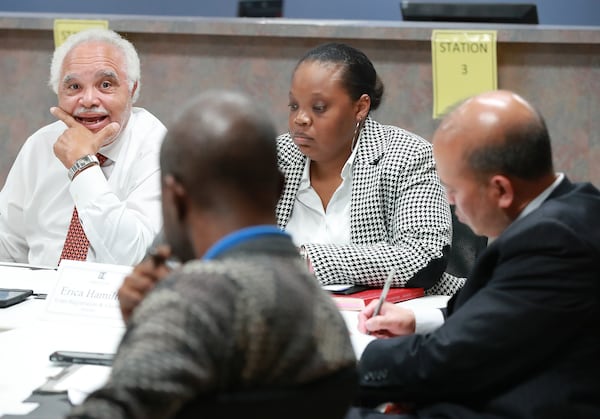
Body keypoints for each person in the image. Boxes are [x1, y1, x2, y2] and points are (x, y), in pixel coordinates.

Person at [68, 90, 358, 419]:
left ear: (176, 198)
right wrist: (148, 328)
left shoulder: (188, 305)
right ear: (278, 188)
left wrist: (162, 320)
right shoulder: (325, 311)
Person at [349, 90, 600, 418]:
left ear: (501, 190)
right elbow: (500, 316)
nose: (451, 203)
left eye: (453, 189)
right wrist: (417, 321)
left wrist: (350, 363)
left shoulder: (555, 239)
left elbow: (453, 360)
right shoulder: (573, 208)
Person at [277, 42, 462, 295]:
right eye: (294, 106)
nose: (300, 119)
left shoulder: (408, 155)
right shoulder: (271, 158)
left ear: (360, 107)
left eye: (318, 108)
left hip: (395, 318)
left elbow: (423, 255)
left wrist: (306, 259)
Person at [0, 28, 166, 267]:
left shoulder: (156, 146)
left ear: (132, 89)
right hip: (38, 297)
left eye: (106, 84)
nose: (88, 100)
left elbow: (134, 257)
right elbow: (7, 245)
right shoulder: (40, 144)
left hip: (117, 300)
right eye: (74, 87)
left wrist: (83, 165)